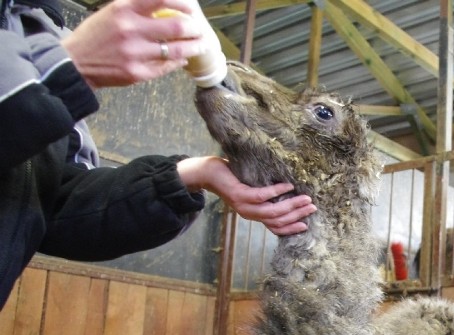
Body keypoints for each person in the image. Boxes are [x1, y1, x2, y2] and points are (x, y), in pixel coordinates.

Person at [0, 0, 317, 309]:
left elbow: (56, 206)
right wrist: (68, 69)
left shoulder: (38, 27)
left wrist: (191, 176)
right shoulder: (49, 44)